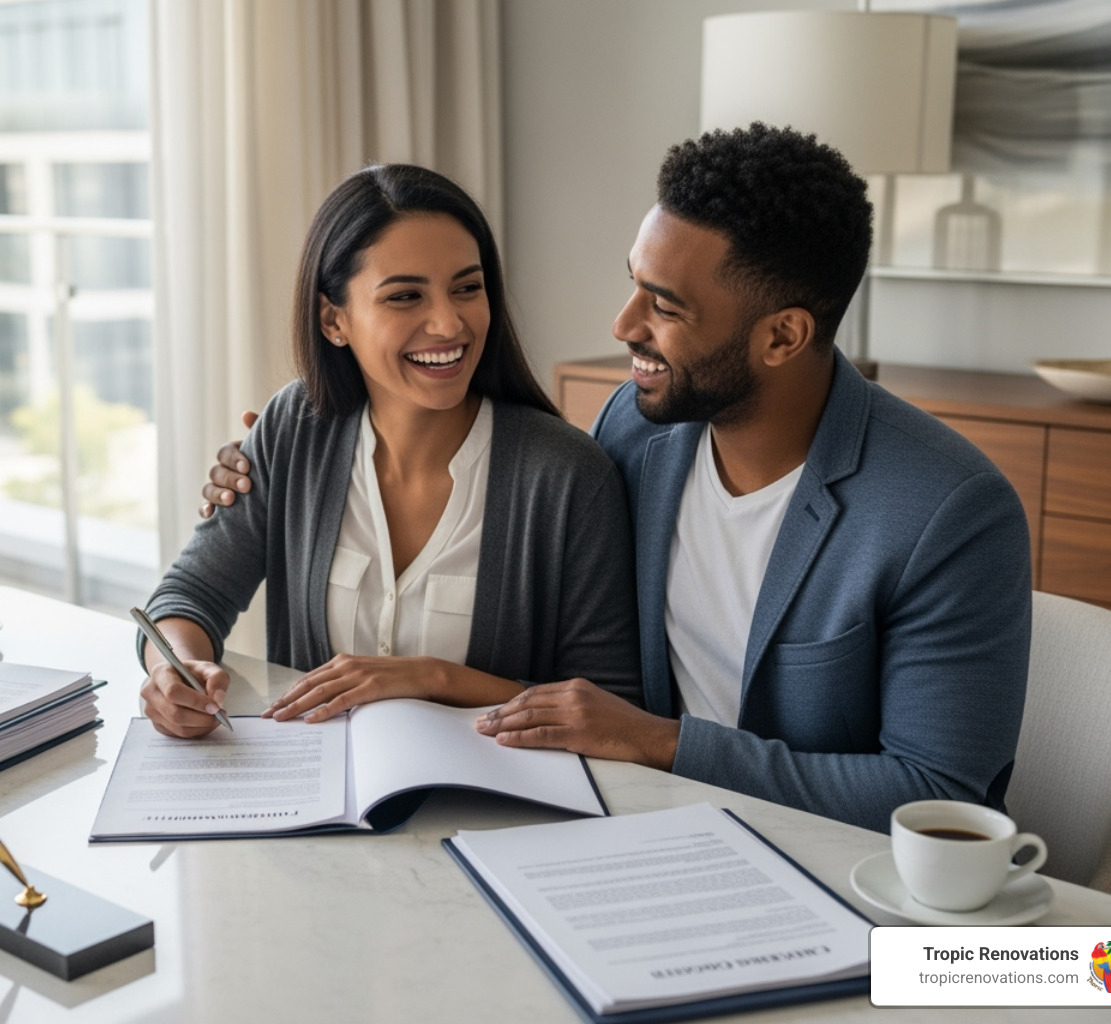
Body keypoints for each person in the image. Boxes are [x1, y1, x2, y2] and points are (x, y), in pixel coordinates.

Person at [204, 126, 1032, 833]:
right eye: (633, 280)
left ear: (782, 337)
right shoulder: (637, 431)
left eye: (663, 306)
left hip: (824, 870)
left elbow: (938, 798)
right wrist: (269, 467)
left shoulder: (947, 511)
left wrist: (660, 741)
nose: (623, 324)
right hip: (626, 822)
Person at [141, 163, 640, 739]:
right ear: (334, 320)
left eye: (467, 287)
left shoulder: (568, 475)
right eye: (405, 295)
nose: (449, 322)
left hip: (497, 815)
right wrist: (173, 669)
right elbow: (189, 595)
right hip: (318, 801)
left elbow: (609, 708)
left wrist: (432, 678)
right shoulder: (292, 429)